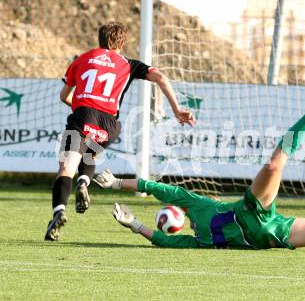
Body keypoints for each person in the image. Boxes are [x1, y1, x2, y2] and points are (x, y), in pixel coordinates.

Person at [94, 92, 305, 249]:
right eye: (177, 213)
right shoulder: (197, 240)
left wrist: (116, 183)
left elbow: (153, 187)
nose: (180, 212)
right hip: (271, 236)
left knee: (274, 165)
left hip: (253, 212)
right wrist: (134, 224)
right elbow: (166, 243)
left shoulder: (201, 204)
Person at [44, 22, 196, 241]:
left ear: (99, 39)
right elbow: (161, 77)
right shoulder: (128, 64)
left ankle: (59, 212)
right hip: (109, 124)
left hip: (83, 115)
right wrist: (177, 110)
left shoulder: (81, 60)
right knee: (90, 152)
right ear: (122, 42)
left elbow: (64, 96)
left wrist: (81, 106)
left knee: (66, 167)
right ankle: (84, 182)